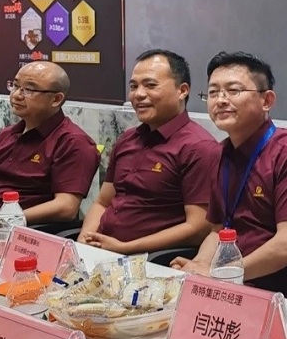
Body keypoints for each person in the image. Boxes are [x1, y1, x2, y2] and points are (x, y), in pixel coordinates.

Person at [170, 52, 287, 300]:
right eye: (213, 92)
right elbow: (218, 231)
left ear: (267, 100)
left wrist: (218, 274)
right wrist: (198, 267)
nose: (220, 100)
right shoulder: (220, 154)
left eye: (233, 91)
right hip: (241, 286)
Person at [78, 50, 220, 254]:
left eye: (150, 85)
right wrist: (84, 241)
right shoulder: (127, 139)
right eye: (133, 86)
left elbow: (198, 227)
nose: (138, 94)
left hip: (148, 259)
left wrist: (125, 248)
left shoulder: (199, 148)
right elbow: (102, 202)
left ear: (182, 90)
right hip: (103, 252)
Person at [0, 62, 99, 225]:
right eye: (15, 86)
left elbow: (66, 208)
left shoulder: (73, 142)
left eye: (29, 89)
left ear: (56, 99)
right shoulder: (6, 134)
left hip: (16, 229)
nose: (16, 95)